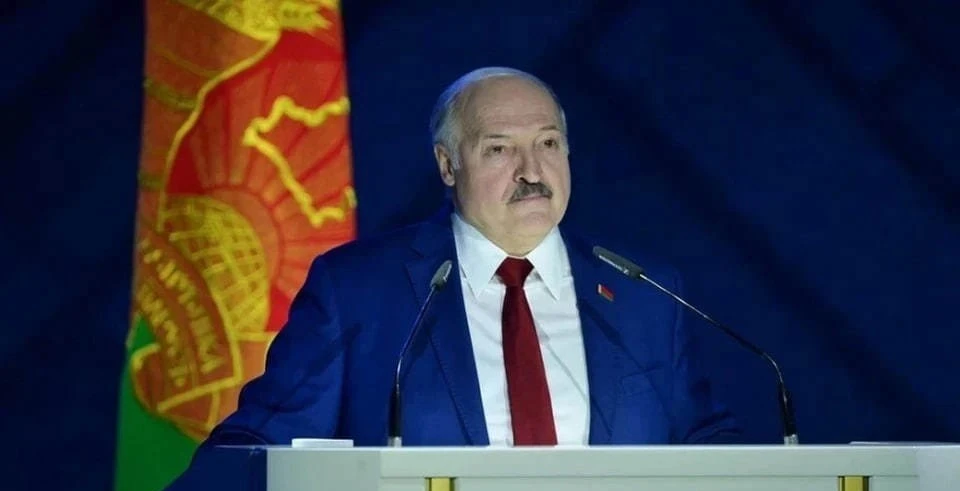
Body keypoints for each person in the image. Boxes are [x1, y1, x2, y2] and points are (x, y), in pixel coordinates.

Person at [201, 67, 739, 448]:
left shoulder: (645, 293)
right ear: (447, 165)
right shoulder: (359, 291)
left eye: (548, 144)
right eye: (499, 149)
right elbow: (260, 446)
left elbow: (708, 444)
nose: (532, 171)